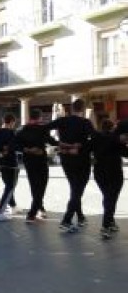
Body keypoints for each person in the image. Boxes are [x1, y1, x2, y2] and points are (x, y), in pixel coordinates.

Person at [45, 99, 95, 232]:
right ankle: (66, 220)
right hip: (82, 159)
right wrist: (80, 147)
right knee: (78, 190)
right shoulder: (86, 122)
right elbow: (94, 139)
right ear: (83, 109)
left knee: (75, 188)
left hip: (66, 159)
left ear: (72, 108)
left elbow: (44, 129)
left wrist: (58, 144)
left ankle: (80, 216)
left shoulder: (62, 121)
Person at [14, 109, 58, 223]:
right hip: (40, 160)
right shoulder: (42, 129)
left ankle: (39, 207)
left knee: (34, 185)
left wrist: (27, 149)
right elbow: (52, 141)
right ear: (40, 117)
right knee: (42, 185)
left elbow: (15, 144)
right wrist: (63, 144)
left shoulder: (21, 129)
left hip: (28, 160)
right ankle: (32, 212)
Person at [91, 119, 128, 239]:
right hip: (114, 173)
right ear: (113, 128)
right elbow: (126, 153)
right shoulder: (116, 140)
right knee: (111, 199)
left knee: (108, 197)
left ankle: (110, 222)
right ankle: (105, 226)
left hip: (99, 173)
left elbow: (87, 150)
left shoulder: (96, 138)